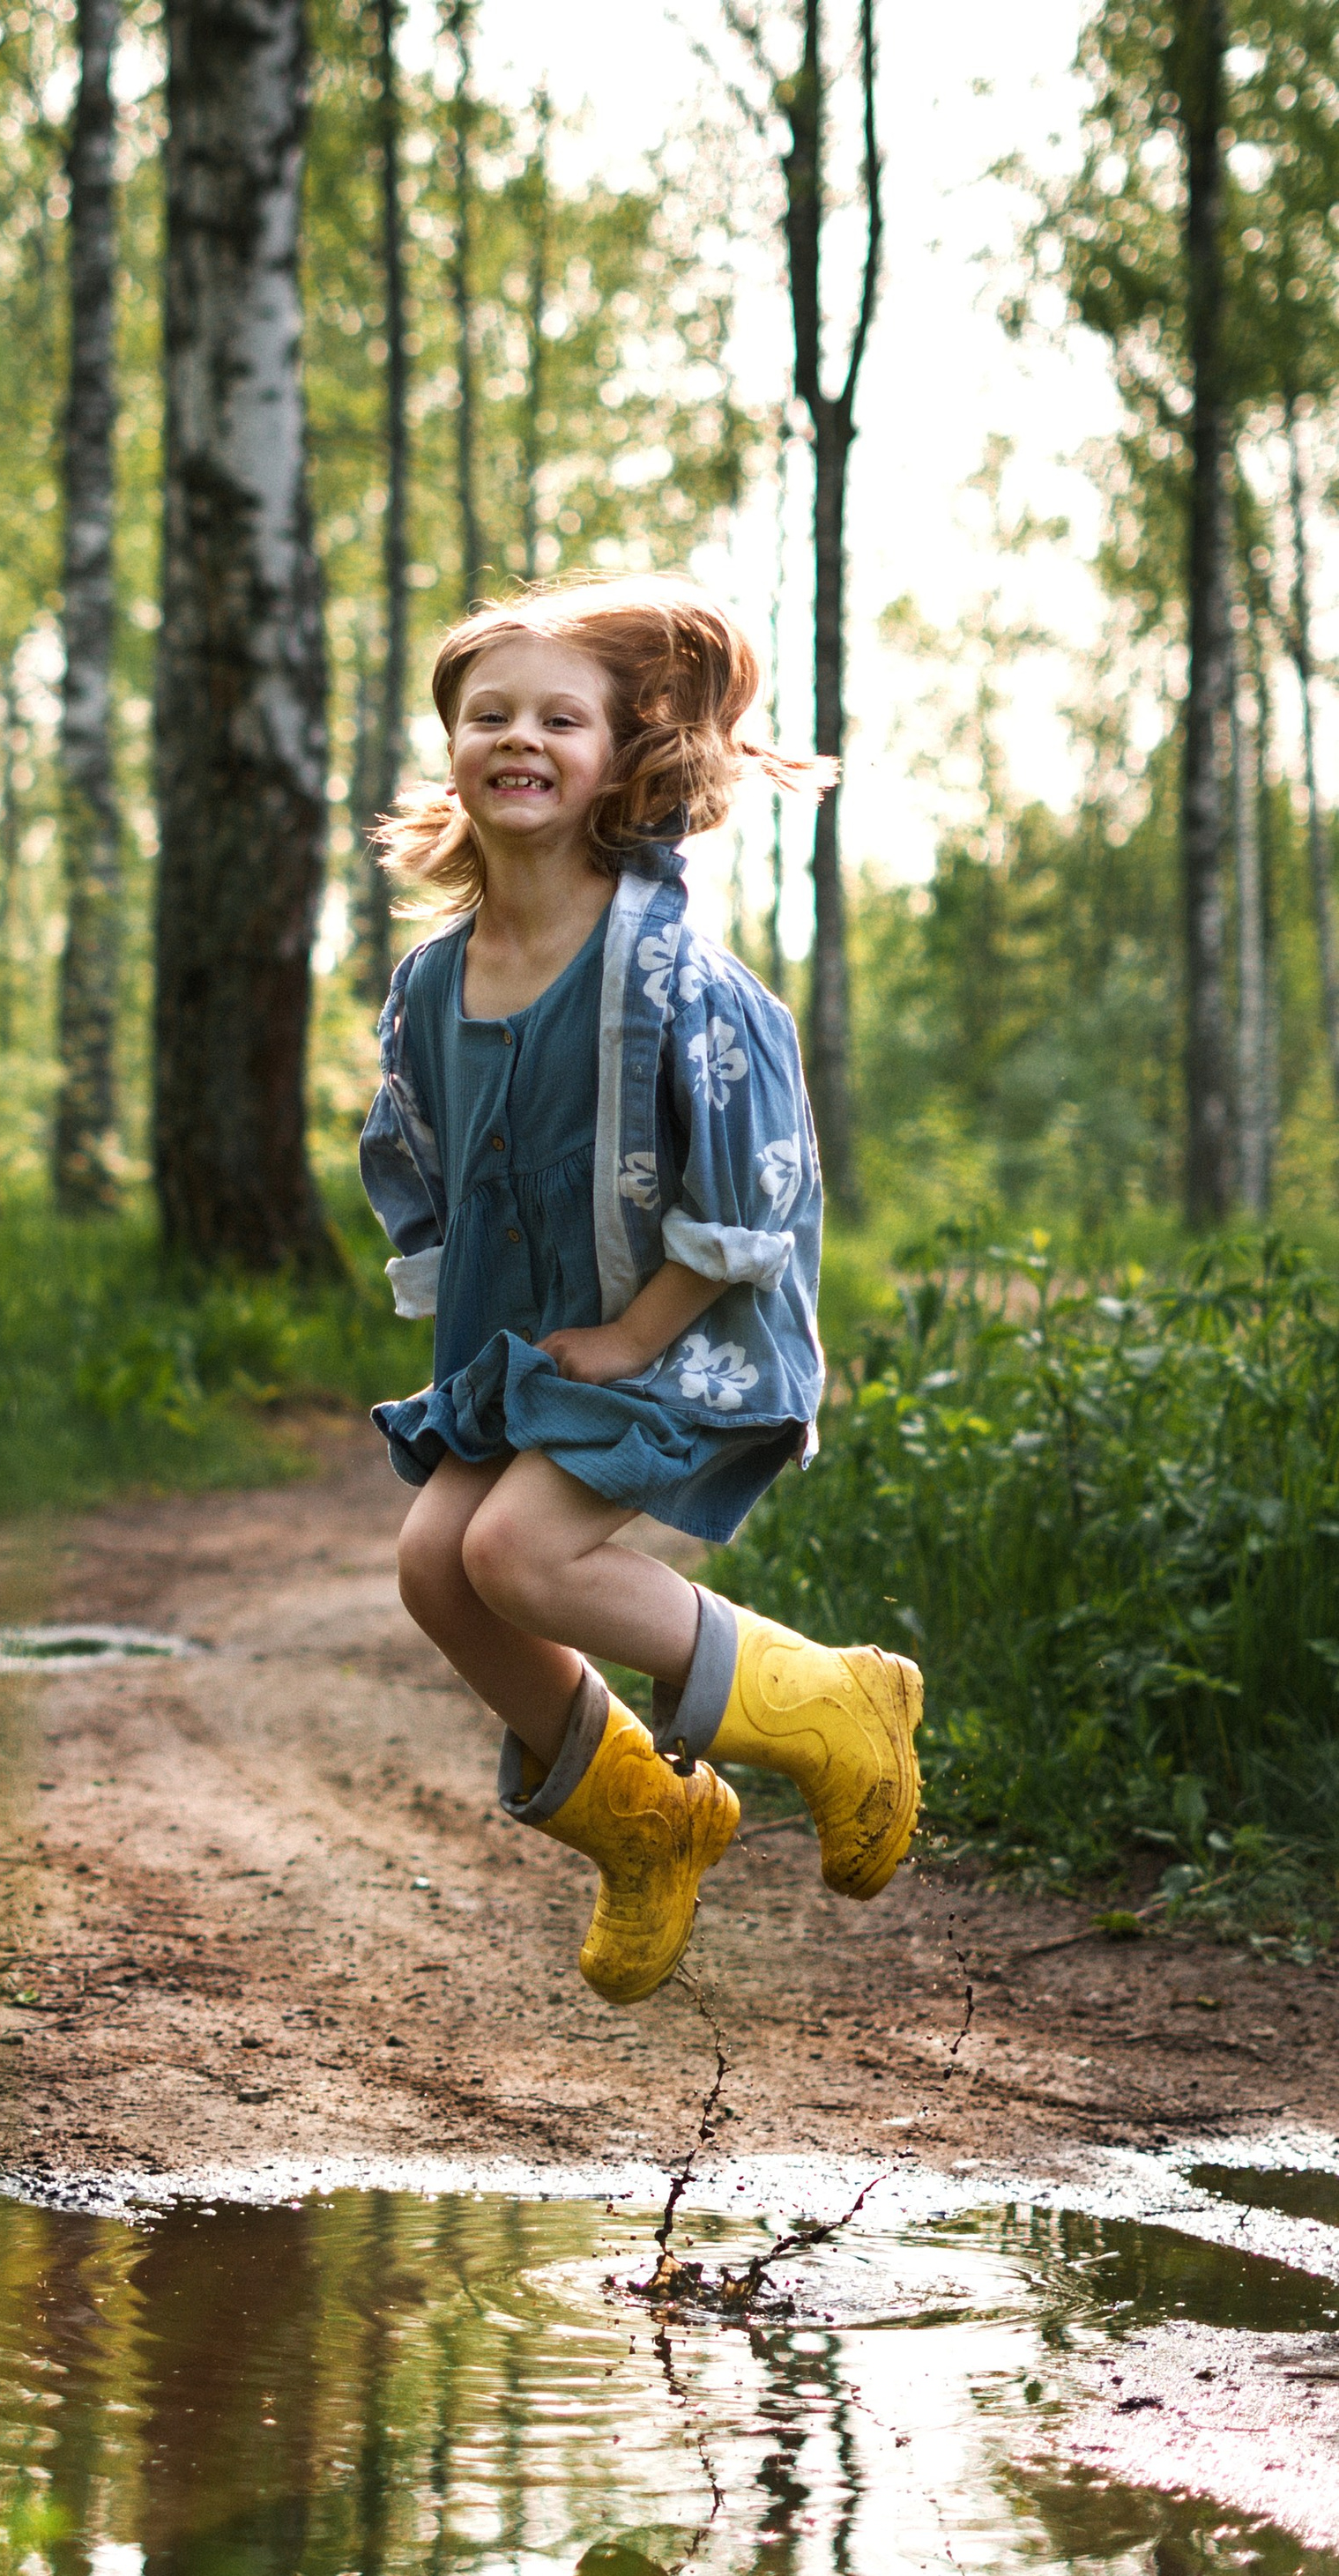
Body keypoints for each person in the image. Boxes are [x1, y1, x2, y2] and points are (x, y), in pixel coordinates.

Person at [358, 570, 923, 2006]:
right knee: (434, 1566)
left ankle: (836, 1701)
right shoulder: (432, 984)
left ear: (620, 759)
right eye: (489, 715)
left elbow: (753, 1191)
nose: (520, 738)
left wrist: (631, 1333)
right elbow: (430, 1162)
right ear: (453, 749)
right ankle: (648, 1820)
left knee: (517, 1555)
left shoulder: (670, 977)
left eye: (562, 718)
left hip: (677, 1335)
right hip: (534, 1349)